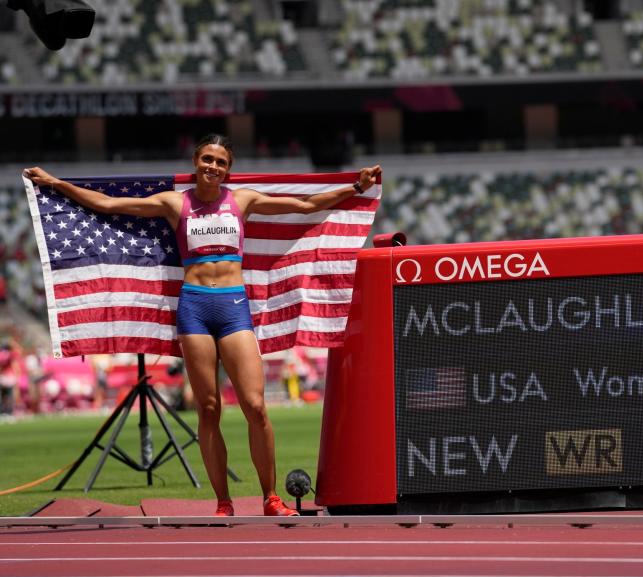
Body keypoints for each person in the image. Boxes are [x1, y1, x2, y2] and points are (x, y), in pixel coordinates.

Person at [25, 134, 382, 517]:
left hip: (233, 306)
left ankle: (271, 498)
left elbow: (305, 204)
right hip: (194, 306)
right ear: (196, 161)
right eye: (207, 159)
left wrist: (356, 187)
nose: (213, 166)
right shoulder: (174, 203)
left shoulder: (241, 200)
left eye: (221, 162)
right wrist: (57, 184)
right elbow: (111, 205)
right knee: (208, 409)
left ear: (229, 169)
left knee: (256, 406)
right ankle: (223, 502)